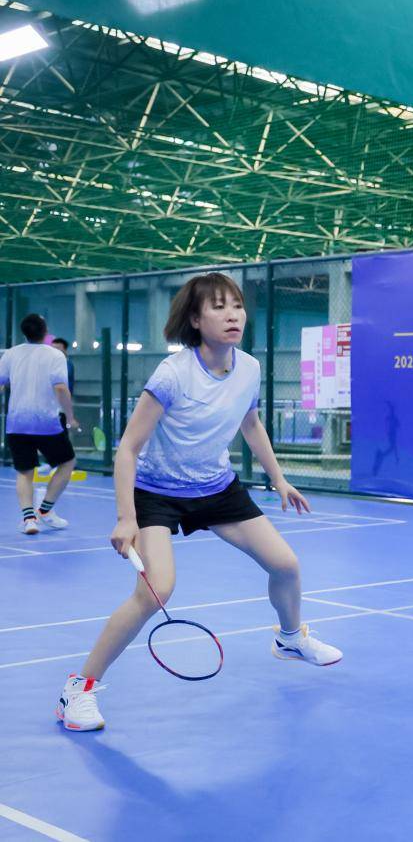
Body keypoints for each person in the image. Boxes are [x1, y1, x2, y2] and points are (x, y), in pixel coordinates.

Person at [56, 273, 342, 732]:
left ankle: (290, 639)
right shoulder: (173, 374)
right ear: (195, 319)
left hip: (216, 488)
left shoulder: (249, 368)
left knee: (286, 565)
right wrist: (126, 518)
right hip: (157, 493)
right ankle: (78, 689)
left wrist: (279, 479)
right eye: (218, 307)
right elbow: (128, 448)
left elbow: (251, 423)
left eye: (237, 305)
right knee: (156, 590)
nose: (233, 315)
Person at [0, 314, 78, 534]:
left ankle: (29, 520)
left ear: (24, 332)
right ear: (46, 331)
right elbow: (61, 388)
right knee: (67, 463)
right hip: (47, 424)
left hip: (16, 423)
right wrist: (70, 416)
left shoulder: (10, 354)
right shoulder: (55, 355)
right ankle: (45, 510)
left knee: (25, 472)